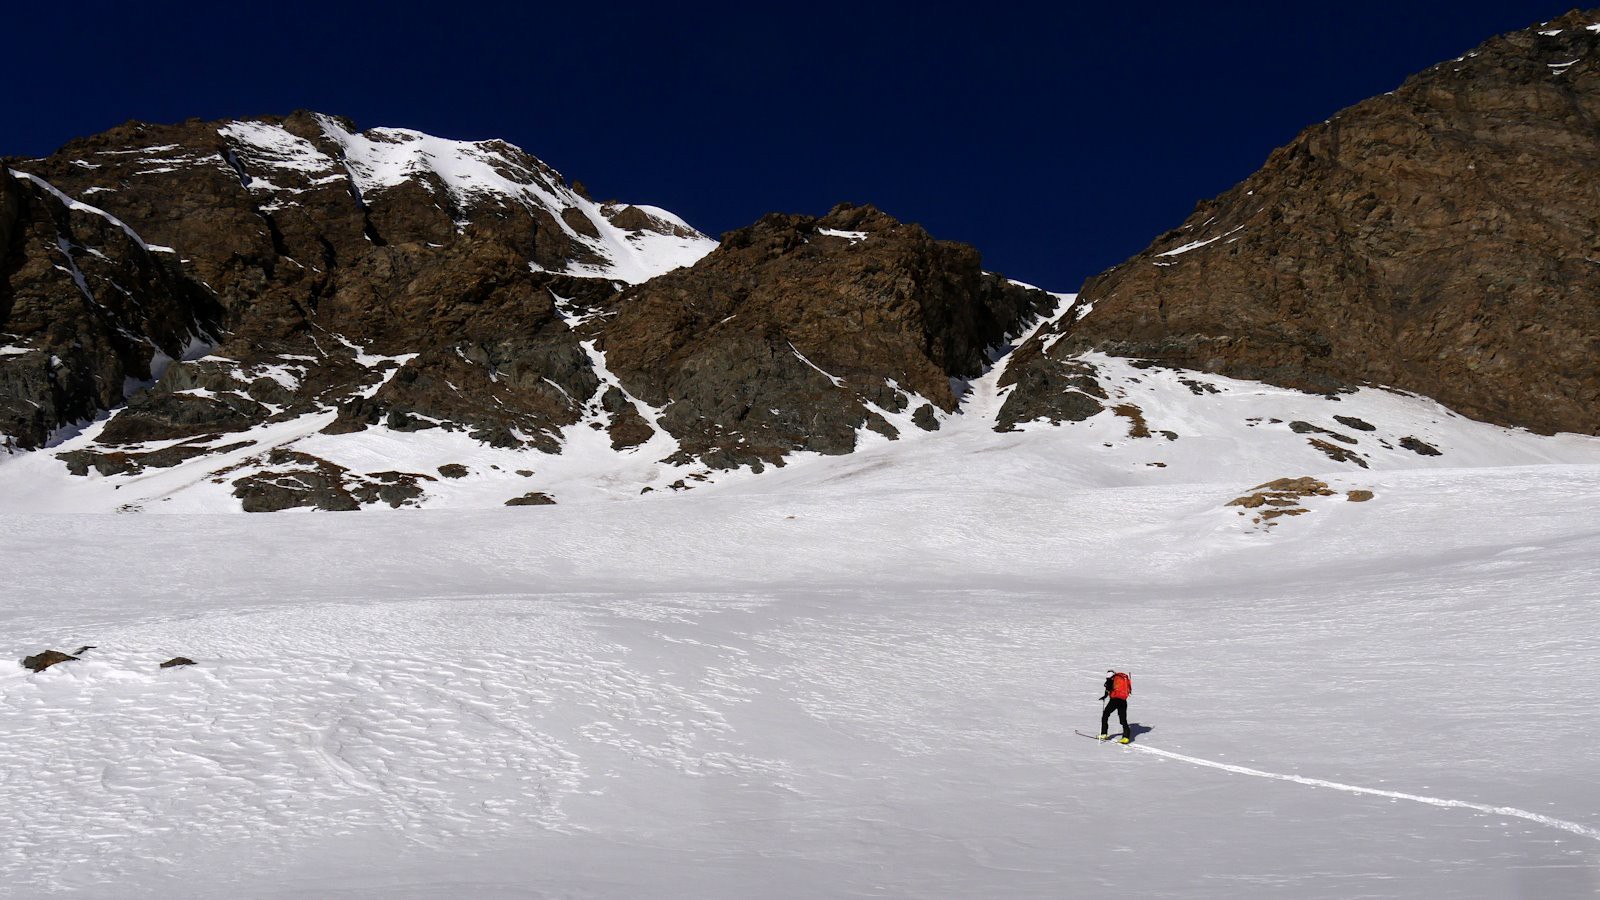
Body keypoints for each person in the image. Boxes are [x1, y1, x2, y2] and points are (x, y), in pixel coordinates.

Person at [1099, 670, 1132, 743]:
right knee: (1123, 719)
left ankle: (1104, 734)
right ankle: (1126, 737)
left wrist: (1105, 696)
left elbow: (1108, 687)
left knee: (1105, 715)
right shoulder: (1122, 678)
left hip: (1114, 700)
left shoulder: (1111, 678)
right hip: (1123, 700)